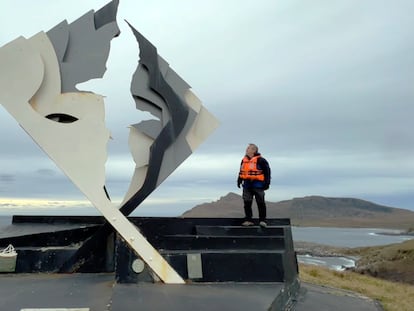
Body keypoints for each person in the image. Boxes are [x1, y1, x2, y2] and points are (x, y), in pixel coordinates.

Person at [237, 143, 271, 227]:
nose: (246, 150)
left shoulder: (261, 160)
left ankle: (263, 220)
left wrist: (267, 183)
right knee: (247, 202)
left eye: (248, 148)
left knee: (260, 202)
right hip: (247, 185)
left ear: (253, 150)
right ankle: (248, 220)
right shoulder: (243, 160)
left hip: (258, 185)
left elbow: (267, 172)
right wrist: (239, 180)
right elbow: (241, 171)